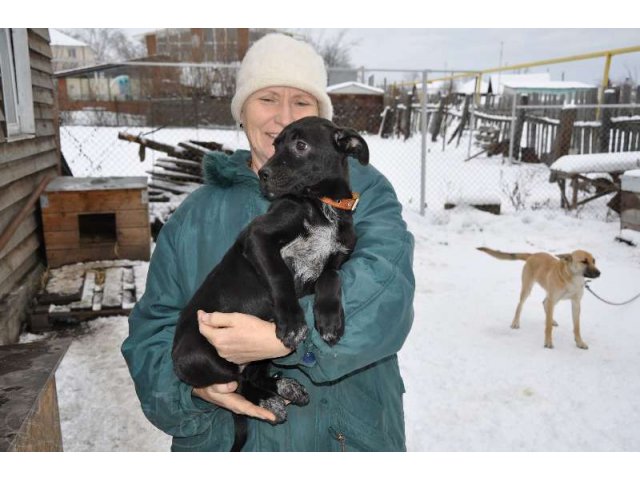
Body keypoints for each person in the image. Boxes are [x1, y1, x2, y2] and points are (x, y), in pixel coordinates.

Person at [121, 33, 415, 452]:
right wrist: (193, 389)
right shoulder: (195, 216)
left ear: (321, 122)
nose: (282, 116)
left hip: (344, 441)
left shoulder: (364, 196)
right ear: (242, 111)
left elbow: (389, 295)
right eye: (267, 99)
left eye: (301, 102)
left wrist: (291, 335)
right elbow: (153, 328)